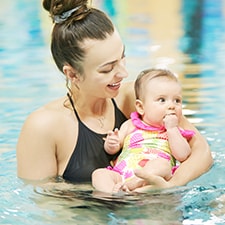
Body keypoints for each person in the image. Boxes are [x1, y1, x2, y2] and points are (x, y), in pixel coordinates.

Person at [16, 0, 213, 189]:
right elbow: (44, 203)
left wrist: (168, 186)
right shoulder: (43, 127)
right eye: (107, 69)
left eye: (122, 58)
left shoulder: (133, 98)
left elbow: (202, 153)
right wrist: (111, 195)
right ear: (72, 74)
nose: (123, 74)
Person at [92, 69, 195, 193]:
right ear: (141, 107)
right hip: (122, 174)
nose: (172, 106)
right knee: (99, 174)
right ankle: (111, 194)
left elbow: (183, 155)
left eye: (177, 100)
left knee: (162, 164)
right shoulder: (131, 124)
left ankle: (136, 183)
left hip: (153, 177)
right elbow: (113, 148)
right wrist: (111, 143)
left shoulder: (175, 131)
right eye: (162, 100)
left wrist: (172, 129)